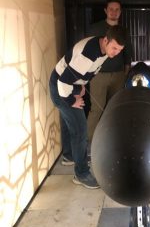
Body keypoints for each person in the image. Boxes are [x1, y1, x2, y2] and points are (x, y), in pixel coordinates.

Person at [49, 25, 126, 189]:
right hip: (61, 87)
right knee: (80, 129)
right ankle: (81, 173)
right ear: (106, 40)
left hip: (70, 84)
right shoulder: (88, 54)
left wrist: (81, 86)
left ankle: (69, 156)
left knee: (68, 122)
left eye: (119, 50)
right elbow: (63, 81)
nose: (115, 53)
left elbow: (87, 72)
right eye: (114, 48)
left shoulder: (103, 49)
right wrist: (71, 100)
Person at [87, 0, 132, 141]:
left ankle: (113, 139)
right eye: (111, 9)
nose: (114, 12)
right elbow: (88, 51)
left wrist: (125, 71)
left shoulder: (123, 30)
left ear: (120, 12)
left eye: (117, 9)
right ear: (106, 10)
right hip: (98, 75)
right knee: (97, 109)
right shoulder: (95, 28)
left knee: (115, 108)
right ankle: (90, 142)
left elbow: (128, 52)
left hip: (118, 74)